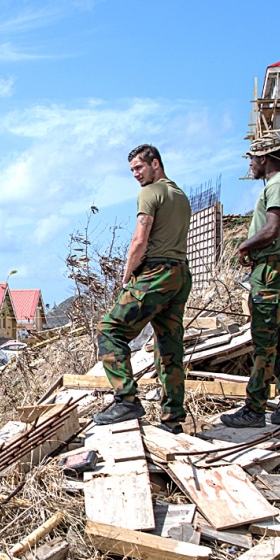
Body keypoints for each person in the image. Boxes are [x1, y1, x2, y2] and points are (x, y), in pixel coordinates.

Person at [93, 144, 192, 432]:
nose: (136, 174)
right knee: (169, 346)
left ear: (155, 164)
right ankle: (173, 419)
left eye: (139, 167)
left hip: (156, 273)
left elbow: (140, 238)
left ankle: (126, 400)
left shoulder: (151, 193)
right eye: (133, 170)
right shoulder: (180, 196)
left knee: (109, 330)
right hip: (180, 274)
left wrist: (127, 276)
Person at [221, 133, 280, 428]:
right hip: (271, 269)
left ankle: (255, 409)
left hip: (270, 272)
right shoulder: (277, 185)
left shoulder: (279, 185)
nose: (251, 166)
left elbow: (272, 229)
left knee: (264, 343)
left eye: (253, 159)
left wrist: (245, 246)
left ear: (265, 158)